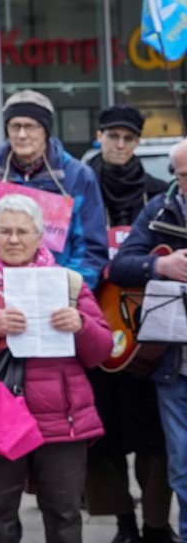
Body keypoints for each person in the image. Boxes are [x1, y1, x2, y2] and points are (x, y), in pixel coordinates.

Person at [0, 194, 112, 543]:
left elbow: (102, 350)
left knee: (65, 517)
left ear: (39, 235)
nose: (13, 239)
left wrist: (81, 325)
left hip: (62, 418)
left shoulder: (69, 283)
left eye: (22, 232)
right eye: (4, 231)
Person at [86, 106, 178, 543]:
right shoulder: (80, 189)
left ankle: (155, 525)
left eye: (128, 138)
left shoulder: (159, 193)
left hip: (148, 329)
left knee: (153, 438)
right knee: (101, 434)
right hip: (93, 322)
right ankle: (122, 520)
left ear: (138, 142)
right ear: (99, 136)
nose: (120, 145)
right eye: (112, 136)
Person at [0, 89, 107, 289]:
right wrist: (11, 233)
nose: (22, 134)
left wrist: (68, 291)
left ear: (45, 130)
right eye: (15, 126)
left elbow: (91, 250)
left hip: (58, 291)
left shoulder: (78, 177)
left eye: (30, 126)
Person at [110, 138, 187, 540]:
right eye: (184, 176)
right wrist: (161, 263)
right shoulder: (160, 210)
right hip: (177, 366)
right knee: (182, 467)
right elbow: (119, 266)